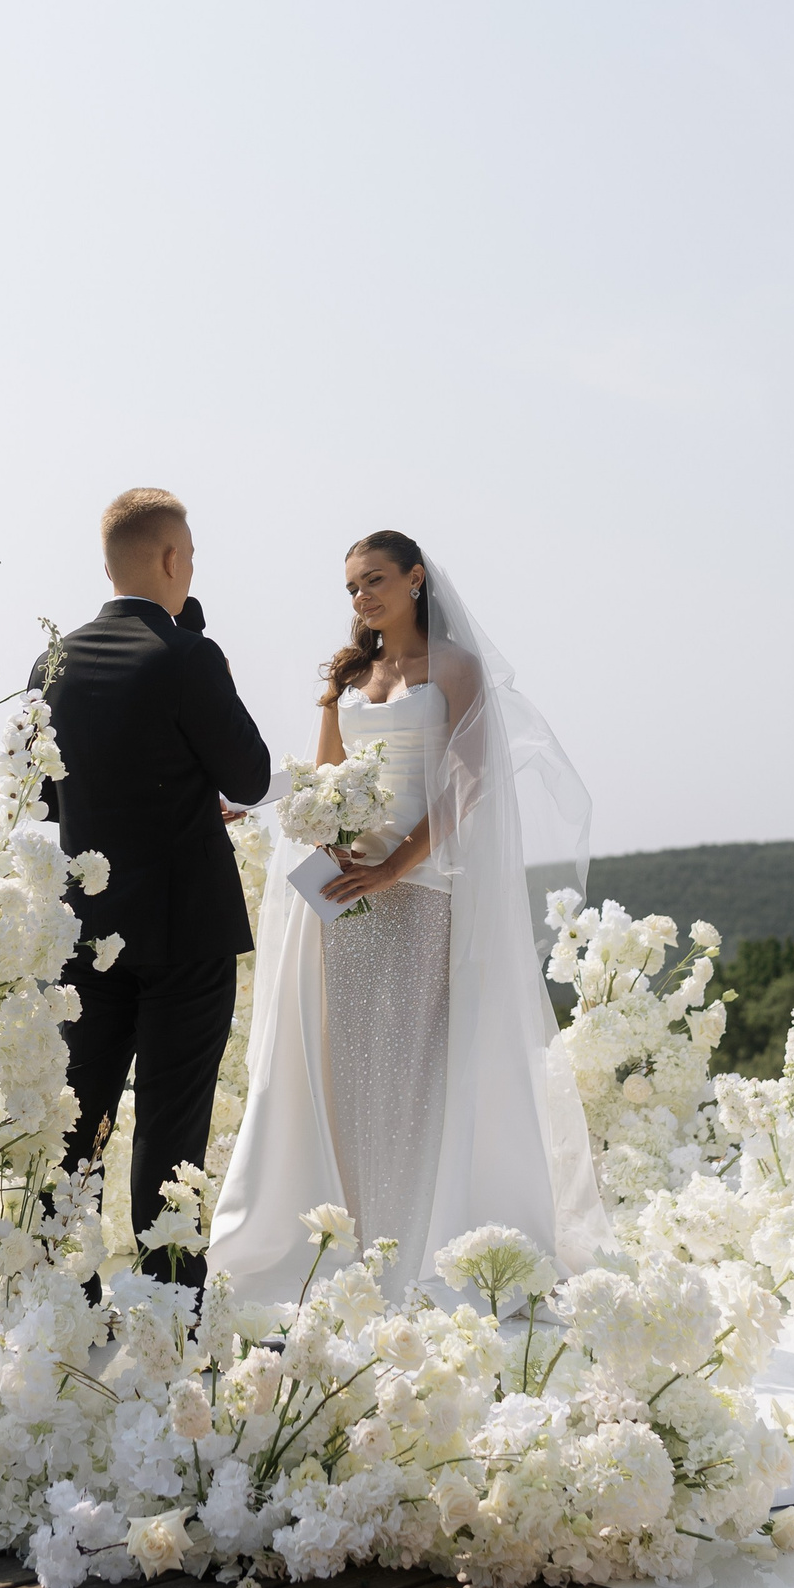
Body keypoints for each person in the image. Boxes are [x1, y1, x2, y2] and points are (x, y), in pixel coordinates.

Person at [206, 530, 609, 1302]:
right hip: (347, 888)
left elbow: (469, 785)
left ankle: (419, 1242)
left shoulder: (456, 670)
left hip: (421, 887)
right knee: (346, 1071)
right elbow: (325, 773)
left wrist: (398, 864)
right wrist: (255, 801)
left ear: (417, 579)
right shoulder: (349, 677)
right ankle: (351, 1241)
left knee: (413, 1071)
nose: (363, 598)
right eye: (353, 588)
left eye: (376, 580)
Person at [33, 489, 270, 1285]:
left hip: (87, 932)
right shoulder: (187, 656)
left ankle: (67, 1298)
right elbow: (252, 774)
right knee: (172, 1127)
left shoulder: (52, 662)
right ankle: (170, 1306)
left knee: (77, 1119)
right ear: (172, 559)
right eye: (191, 558)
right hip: (185, 927)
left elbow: (42, 795)